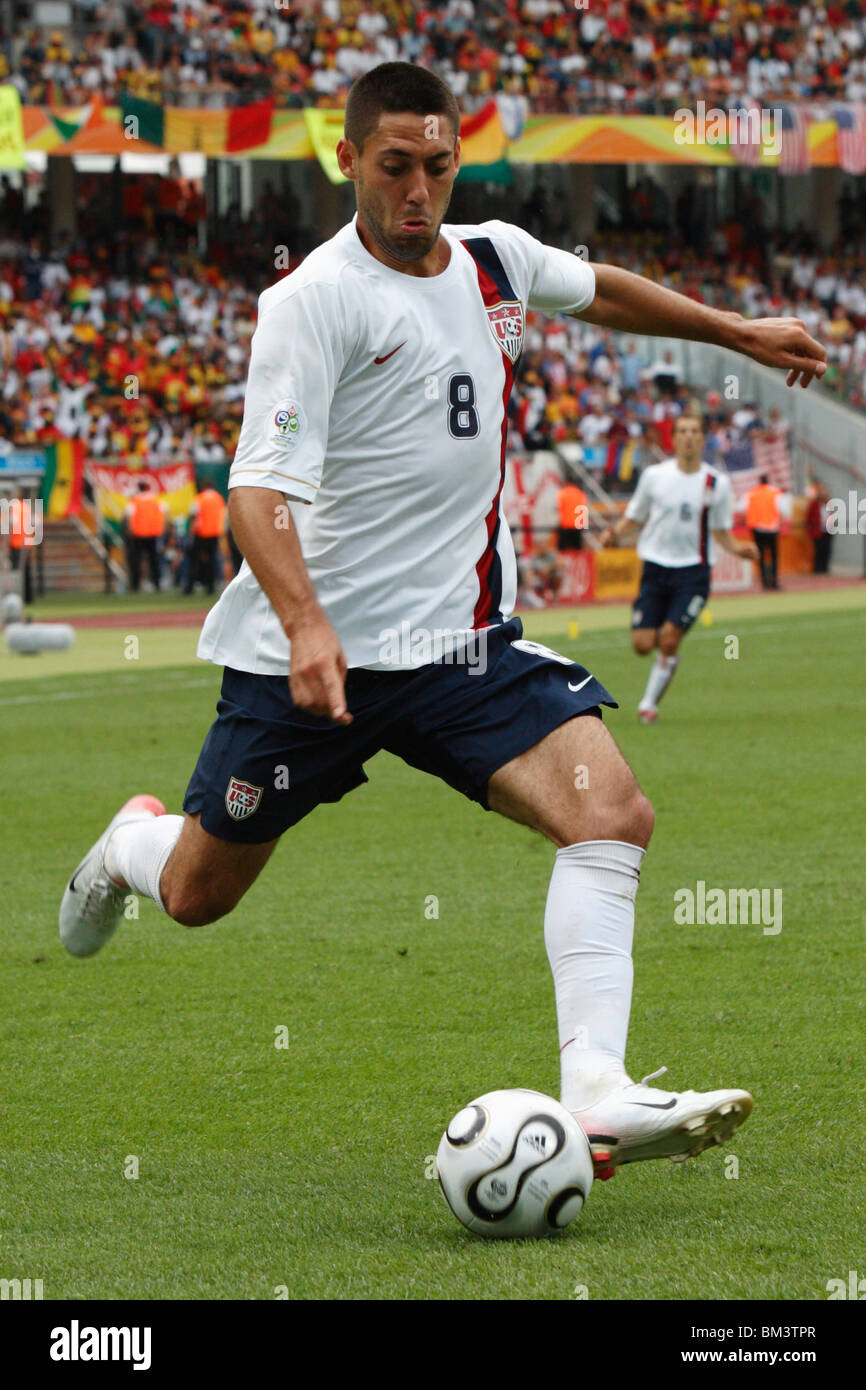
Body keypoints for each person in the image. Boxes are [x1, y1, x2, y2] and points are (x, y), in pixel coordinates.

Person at [59, 63, 827, 1178]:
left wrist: (732, 331)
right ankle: (124, 848)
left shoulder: (494, 260)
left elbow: (598, 286)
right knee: (194, 895)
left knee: (609, 811)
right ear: (348, 162)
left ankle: (597, 1090)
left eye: (436, 164)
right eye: (394, 167)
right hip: (307, 667)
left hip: (463, 648)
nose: (418, 189)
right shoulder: (311, 301)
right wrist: (308, 624)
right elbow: (256, 493)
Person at [601, 414, 760, 724]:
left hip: (694, 573)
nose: (689, 437)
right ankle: (665, 657)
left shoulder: (717, 483)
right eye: (683, 431)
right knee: (643, 645)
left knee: (670, 638)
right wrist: (614, 534)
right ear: (673, 439)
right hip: (656, 569)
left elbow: (721, 531)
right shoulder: (654, 476)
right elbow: (635, 515)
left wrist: (738, 549)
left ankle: (648, 705)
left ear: (703, 439)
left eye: (695, 431)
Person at [124, 479, 167, 592]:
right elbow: (164, 513)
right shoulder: (155, 499)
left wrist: (129, 530)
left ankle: (135, 585)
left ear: (139, 488)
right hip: (153, 534)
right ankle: (157, 583)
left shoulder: (134, 500)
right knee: (154, 560)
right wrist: (162, 529)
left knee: (136, 560)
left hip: (138, 534)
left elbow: (129, 515)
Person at [184, 486, 226, 595]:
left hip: (201, 533)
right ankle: (210, 587)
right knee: (212, 560)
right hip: (214, 532)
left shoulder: (200, 498)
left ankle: (190, 587)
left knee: (194, 560)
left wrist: (192, 529)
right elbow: (222, 514)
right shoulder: (218, 498)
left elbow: (192, 513)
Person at [744, 473, 782, 589]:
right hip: (772, 529)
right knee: (774, 556)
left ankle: (764, 582)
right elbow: (783, 509)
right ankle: (774, 581)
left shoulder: (751, 493)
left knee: (760, 557)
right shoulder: (775, 492)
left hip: (757, 529)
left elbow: (742, 508)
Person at [805, 483, 833, 574]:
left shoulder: (829, 503)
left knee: (826, 550)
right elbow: (808, 517)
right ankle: (817, 569)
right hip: (817, 531)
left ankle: (825, 569)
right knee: (818, 550)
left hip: (827, 531)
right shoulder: (814, 504)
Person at [556, 475, 587, 551]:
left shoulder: (562, 493)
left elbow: (558, 508)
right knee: (577, 550)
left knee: (563, 550)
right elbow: (584, 509)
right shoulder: (580, 493)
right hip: (577, 526)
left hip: (565, 525)